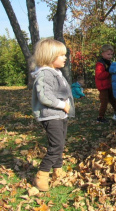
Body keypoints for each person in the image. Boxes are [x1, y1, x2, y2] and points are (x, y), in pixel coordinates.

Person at [31, 38, 75, 191]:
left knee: (60, 144)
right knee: (56, 145)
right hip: (51, 115)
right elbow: (45, 96)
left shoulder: (56, 72)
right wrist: (62, 105)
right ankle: (42, 174)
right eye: (61, 55)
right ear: (50, 57)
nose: (65, 58)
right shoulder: (45, 74)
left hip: (60, 115)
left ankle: (58, 170)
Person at [95, 44, 116, 123]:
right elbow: (99, 76)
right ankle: (100, 117)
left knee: (113, 100)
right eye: (108, 54)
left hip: (109, 85)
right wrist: (108, 71)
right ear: (103, 54)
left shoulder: (109, 62)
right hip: (103, 86)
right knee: (104, 102)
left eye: (111, 54)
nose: (110, 56)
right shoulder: (100, 64)